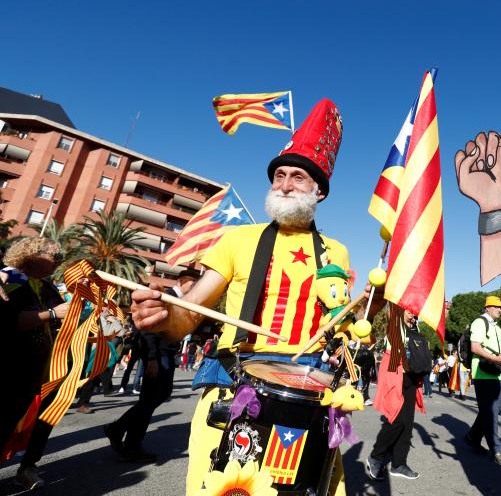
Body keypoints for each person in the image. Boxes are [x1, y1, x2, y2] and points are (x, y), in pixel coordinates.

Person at [128, 99, 366, 495]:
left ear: (319, 191)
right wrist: (165, 316)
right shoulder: (237, 239)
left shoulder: (336, 251)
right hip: (236, 381)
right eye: (279, 176)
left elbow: (337, 319)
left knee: (305, 485)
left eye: (298, 178)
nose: (285, 184)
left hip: (307, 388)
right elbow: (192, 312)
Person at [105, 268, 199, 461]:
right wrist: (152, 358)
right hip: (156, 355)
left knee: (156, 397)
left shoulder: (178, 300)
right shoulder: (165, 296)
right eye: (192, 282)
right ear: (181, 281)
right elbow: (147, 328)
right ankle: (128, 440)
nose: (195, 287)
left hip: (165, 354)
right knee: (150, 399)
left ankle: (122, 432)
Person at [0, 238, 68, 490]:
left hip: (42, 368)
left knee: (22, 421)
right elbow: (10, 322)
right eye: (54, 255)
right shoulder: (10, 279)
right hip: (11, 365)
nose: (59, 260)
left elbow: (60, 320)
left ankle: (27, 468)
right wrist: (51, 314)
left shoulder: (49, 288)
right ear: (32, 255)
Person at [367, 307, 425, 480]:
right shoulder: (394, 322)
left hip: (412, 375)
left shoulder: (414, 326)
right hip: (395, 371)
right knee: (397, 420)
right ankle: (376, 457)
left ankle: (399, 464)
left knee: (407, 424)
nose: (413, 313)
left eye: (415, 310)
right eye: (409, 309)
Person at [465, 295, 501, 465]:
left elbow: (497, 350)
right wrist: (496, 358)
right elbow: (475, 347)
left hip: (496, 373)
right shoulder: (480, 322)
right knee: (491, 412)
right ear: (487, 308)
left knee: (491, 410)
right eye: (495, 306)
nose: (499, 309)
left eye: (500, 307)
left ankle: (473, 436)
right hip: (484, 373)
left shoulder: (496, 327)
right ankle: (497, 449)